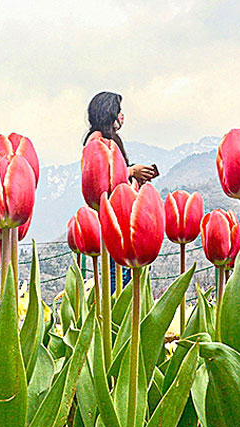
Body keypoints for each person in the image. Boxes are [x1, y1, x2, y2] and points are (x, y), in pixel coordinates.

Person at [85, 92, 155, 289]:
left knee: (125, 273)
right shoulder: (96, 140)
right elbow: (99, 175)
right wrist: (131, 170)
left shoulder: (113, 140)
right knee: (117, 274)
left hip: (119, 211)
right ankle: (113, 312)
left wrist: (135, 177)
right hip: (109, 215)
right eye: (119, 110)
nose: (122, 115)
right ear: (109, 112)